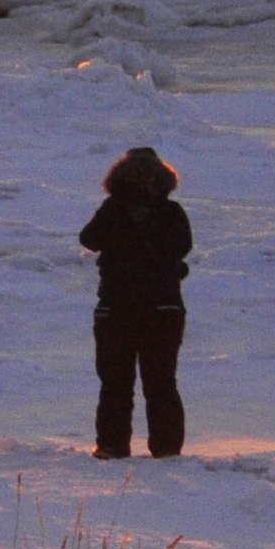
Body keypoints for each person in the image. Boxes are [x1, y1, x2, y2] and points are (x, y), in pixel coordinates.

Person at [80, 145, 192, 458]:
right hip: (158, 308)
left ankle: (115, 446)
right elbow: (180, 249)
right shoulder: (168, 212)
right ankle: (164, 450)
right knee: (158, 382)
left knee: (120, 382)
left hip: (121, 308)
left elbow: (89, 239)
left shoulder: (117, 209)